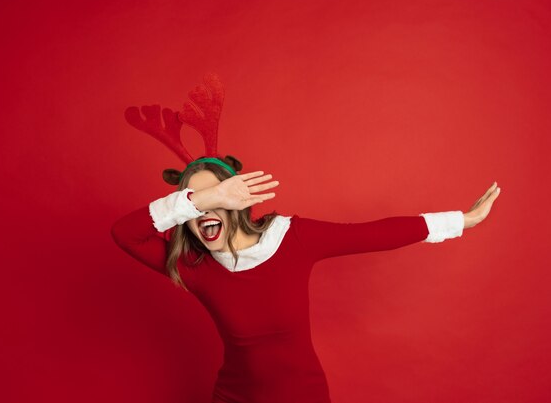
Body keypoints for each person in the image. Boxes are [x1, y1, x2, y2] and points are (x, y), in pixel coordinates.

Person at [110, 155, 501, 403]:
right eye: (197, 205)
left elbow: (373, 233)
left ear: (240, 201)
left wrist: (460, 221)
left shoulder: (290, 237)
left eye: (219, 197)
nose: (207, 211)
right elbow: (124, 234)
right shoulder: (192, 266)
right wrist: (202, 200)